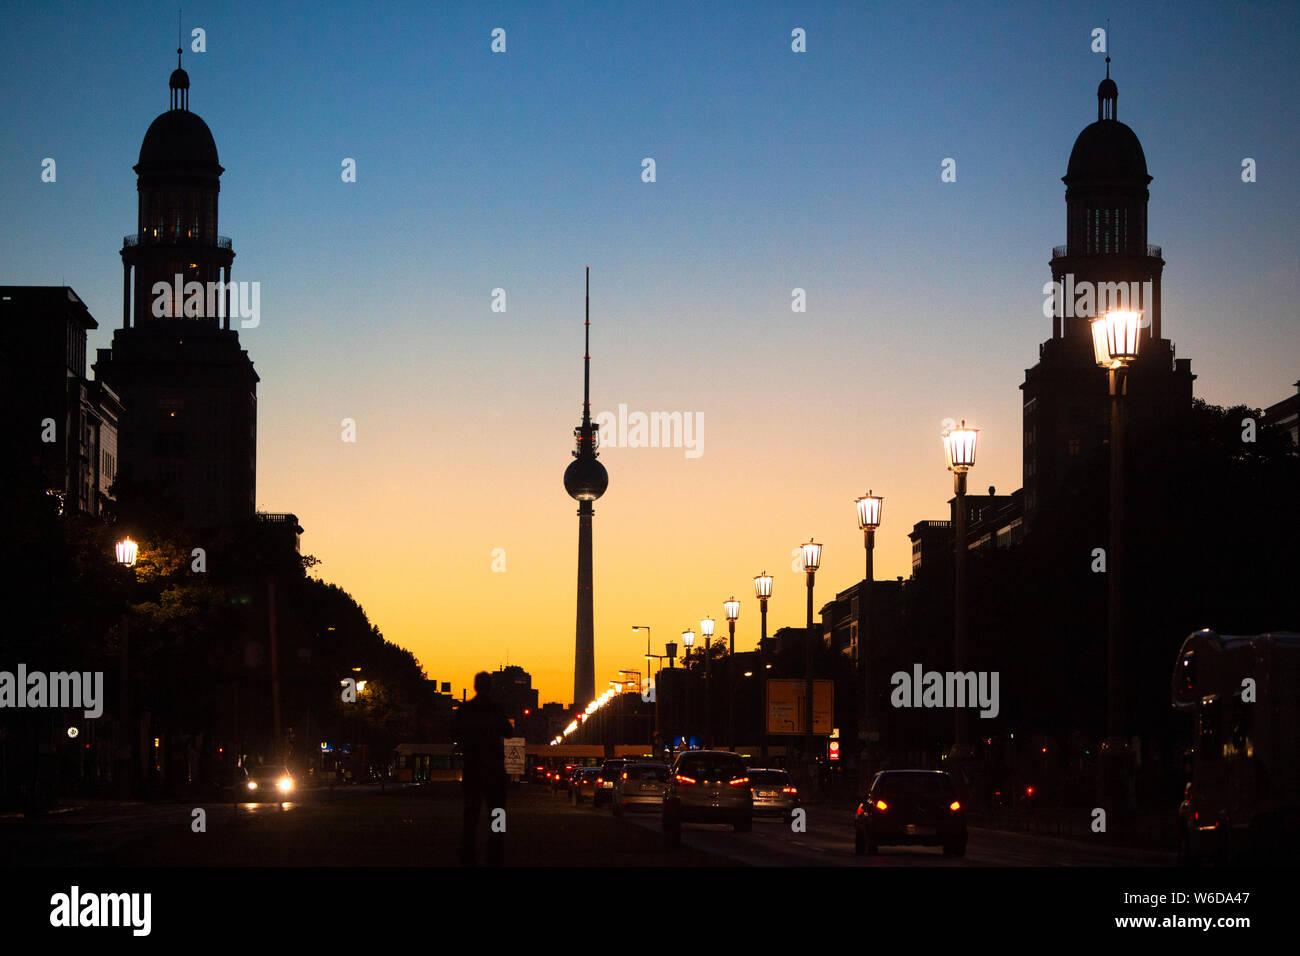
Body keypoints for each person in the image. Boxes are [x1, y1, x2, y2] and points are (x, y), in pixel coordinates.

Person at [451, 672, 514, 866]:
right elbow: (509, 732)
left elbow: (453, 732)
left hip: (472, 768)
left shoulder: (466, 709)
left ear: (475, 686)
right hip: (494, 770)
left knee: (470, 814)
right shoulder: (496, 709)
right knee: (497, 813)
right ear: (491, 687)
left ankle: (467, 855)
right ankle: (495, 852)